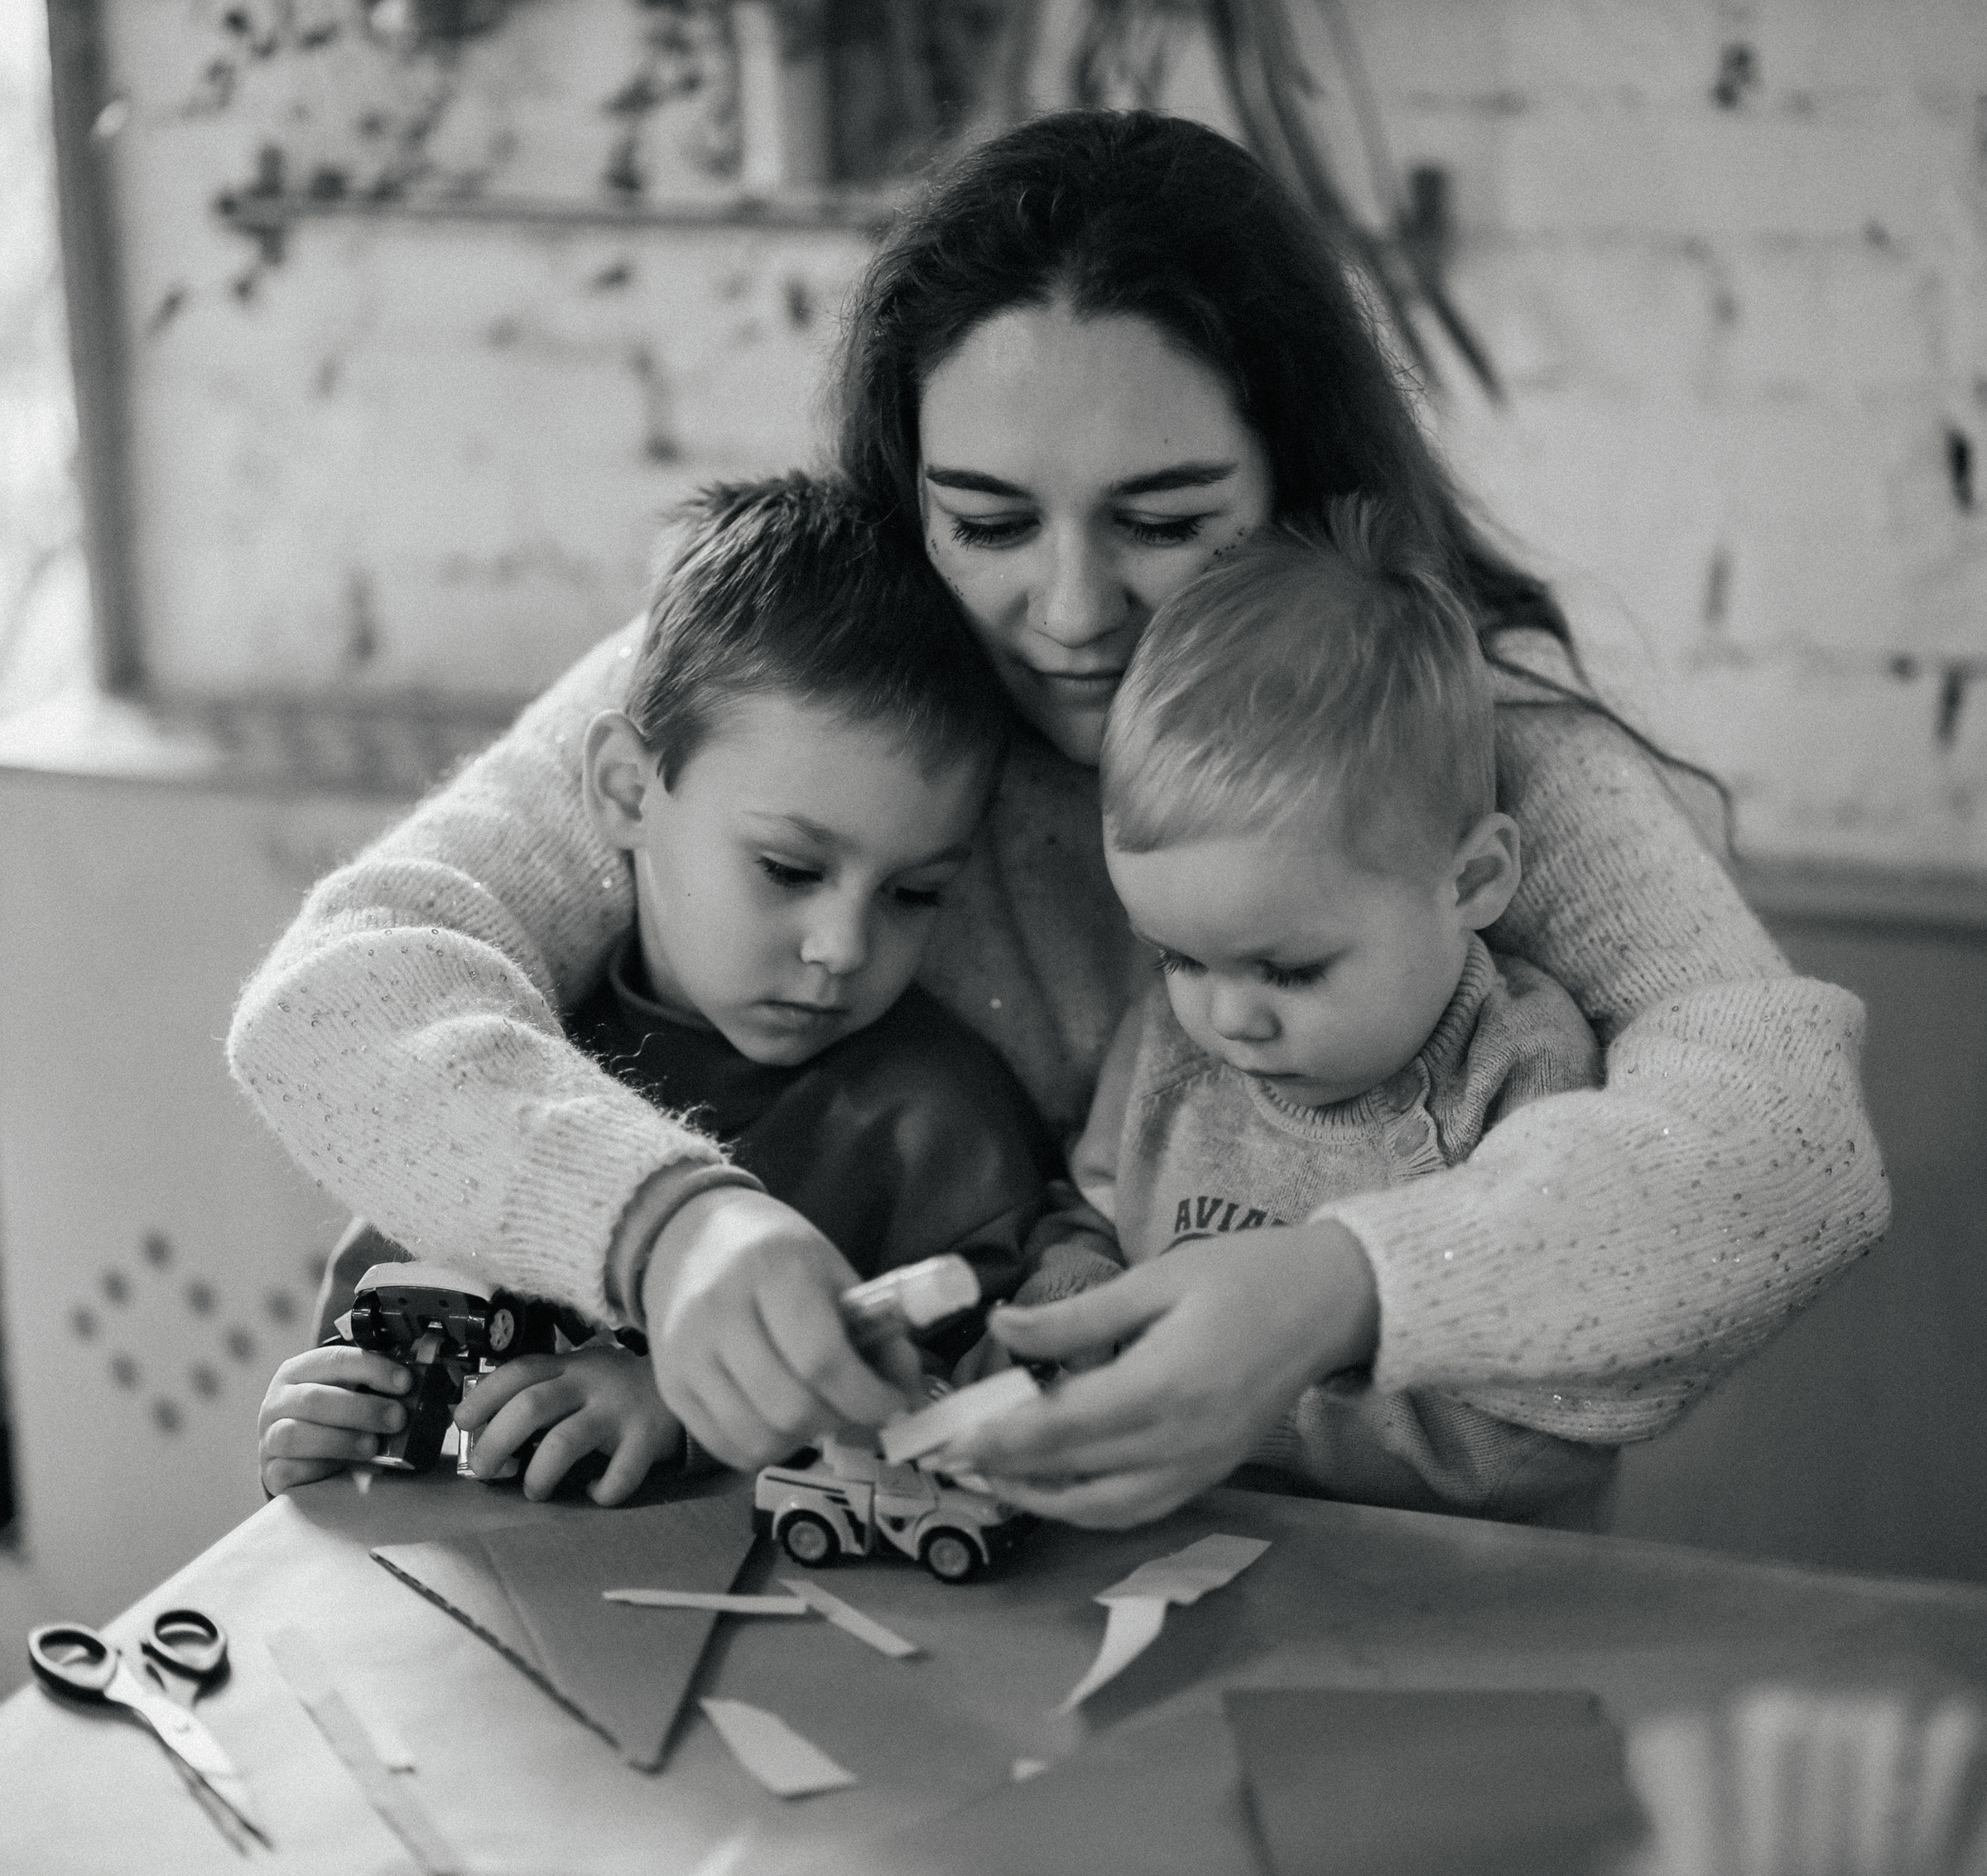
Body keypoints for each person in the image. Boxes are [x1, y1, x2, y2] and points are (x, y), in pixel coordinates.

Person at [231, 109, 1886, 1531]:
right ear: (906, 489)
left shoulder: (1443, 716)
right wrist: (667, 1224)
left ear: (1297, 482)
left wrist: (1344, 1285)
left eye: (1166, 519)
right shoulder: (823, 684)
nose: (1072, 607)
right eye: (989, 519)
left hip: (1422, 1609)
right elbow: (342, 992)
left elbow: (1788, 1141)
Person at [255, 475, 1055, 1501]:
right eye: (789, 869)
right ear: (628, 790)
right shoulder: (507, 1067)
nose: (845, 945)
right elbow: (380, 1401)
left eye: (913, 892)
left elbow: (984, 1417)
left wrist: (707, 1414)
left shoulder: (942, 1129)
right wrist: (316, 1442)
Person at [970, 503, 1615, 1527]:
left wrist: (1247, 1402)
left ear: (1474, 879)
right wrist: (1068, 1334)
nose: (1228, 1018)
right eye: (1179, 955)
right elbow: (1092, 1211)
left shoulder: (1521, 1076)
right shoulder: (1174, 1035)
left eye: (1293, 970)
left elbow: (1526, 1441)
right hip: (1165, 1553)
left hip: (1442, 1602)